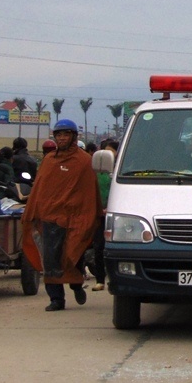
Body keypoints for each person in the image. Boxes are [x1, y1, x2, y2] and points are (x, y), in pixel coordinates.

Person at [22, 119, 101, 312]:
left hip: (75, 218)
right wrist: (33, 211)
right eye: (59, 135)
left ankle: (75, 284)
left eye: (66, 134)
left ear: (73, 136)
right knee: (50, 259)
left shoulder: (84, 161)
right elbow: (40, 189)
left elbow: (89, 192)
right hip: (51, 217)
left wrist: (87, 215)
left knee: (72, 255)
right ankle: (56, 299)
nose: (62, 138)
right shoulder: (49, 160)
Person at [89, 149, 114, 291]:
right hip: (98, 215)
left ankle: (114, 278)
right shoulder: (93, 175)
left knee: (112, 249)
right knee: (99, 247)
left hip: (115, 215)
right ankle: (100, 280)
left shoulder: (118, 172)